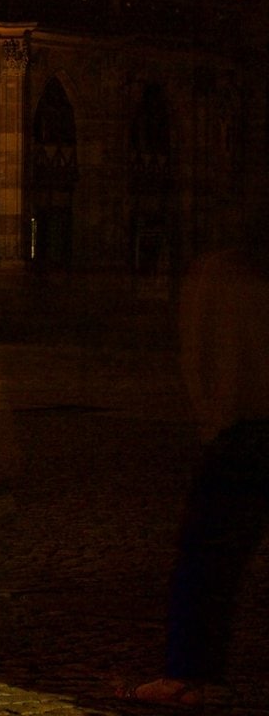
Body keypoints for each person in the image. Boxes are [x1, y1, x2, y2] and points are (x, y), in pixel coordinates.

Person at [123, 241, 269, 704]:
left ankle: (190, 673)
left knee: (205, 557)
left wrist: (214, 420)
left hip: (242, 433)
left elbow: (209, 357)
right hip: (243, 428)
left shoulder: (222, 271)